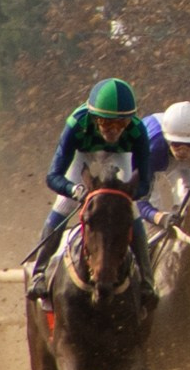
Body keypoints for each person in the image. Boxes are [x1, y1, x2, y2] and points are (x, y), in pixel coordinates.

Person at [26, 77, 158, 307]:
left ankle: (147, 280)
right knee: (63, 205)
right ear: (94, 117)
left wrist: (121, 196)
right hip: (83, 156)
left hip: (119, 159)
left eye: (121, 124)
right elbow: (53, 176)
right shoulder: (76, 123)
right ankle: (40, 272)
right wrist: (74, 190)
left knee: (132, 210)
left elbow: (145, 183)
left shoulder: (137, 131)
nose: (114, 131)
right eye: (107, 124)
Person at [139, 100, 190, 226]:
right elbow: (138, 201)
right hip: (150, 159)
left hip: (178, 159)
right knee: (151, 213)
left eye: (189, 144)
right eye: (177, 143)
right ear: (167, 138)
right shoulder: (151, 150)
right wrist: (159, 217)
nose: (182, 151)